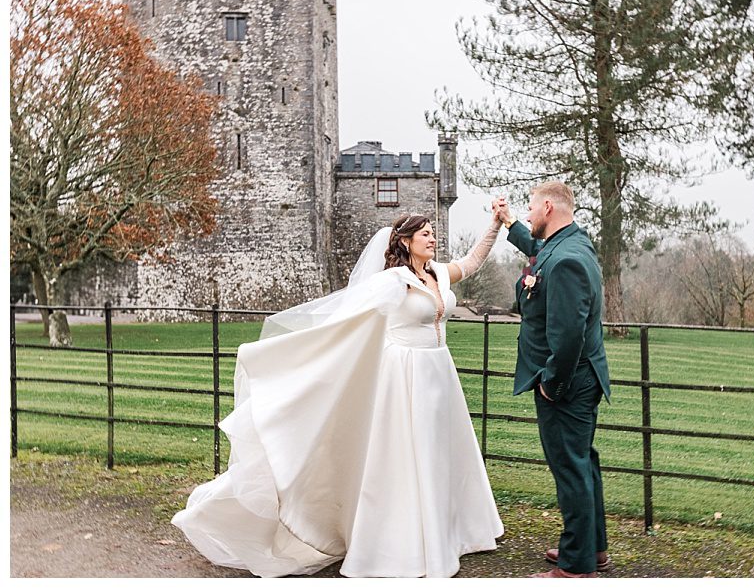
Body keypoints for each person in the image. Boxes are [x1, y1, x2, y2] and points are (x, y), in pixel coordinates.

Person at [171, 213, 505, 578]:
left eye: (432, 234)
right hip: (404, 376)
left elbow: (471, 262)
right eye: (425, 234)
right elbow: (346, 315)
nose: (432, 239)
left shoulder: (438, 273)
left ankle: (445, 532)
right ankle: (399, 542)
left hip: (439, 373)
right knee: (404, 457)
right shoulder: (393, 281)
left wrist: (495, 224)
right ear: (406, 241)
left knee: (439, 453)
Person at [493, 182, 612, 578]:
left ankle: (575, 566)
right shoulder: (570, 244)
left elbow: (568, 336)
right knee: (582, 462)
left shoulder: (566, 261)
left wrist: (551, 385)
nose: (528, 215)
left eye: (529, 208)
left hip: (568, 383)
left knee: (570, 467)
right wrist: (509, 222)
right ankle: (591, 548)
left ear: (547, 206)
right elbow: (537, 249)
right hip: (583, 378)